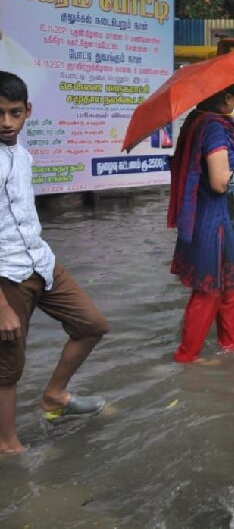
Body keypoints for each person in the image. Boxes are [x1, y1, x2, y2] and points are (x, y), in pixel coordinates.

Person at [0, 71, 110, 455]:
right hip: (6, 277)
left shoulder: (22, 154)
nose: (7, 122)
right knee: (8, 368)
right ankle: (9, 448)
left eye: (15, 113)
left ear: (28, 111)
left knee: (92, 324)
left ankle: (54, 396)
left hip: (41, 262)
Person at [167, 80, 234, 362]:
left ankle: (229, 350)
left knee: (224, 292)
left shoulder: (197, 119)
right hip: (219, 222)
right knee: (214, 294)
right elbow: (220, 181)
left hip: (203, 219)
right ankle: (187, 358)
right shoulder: (215, 128)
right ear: (226, 97)